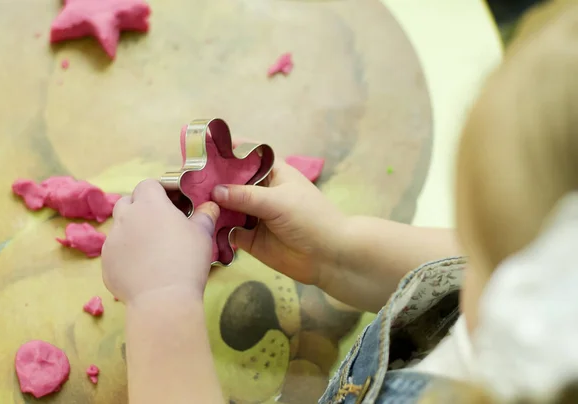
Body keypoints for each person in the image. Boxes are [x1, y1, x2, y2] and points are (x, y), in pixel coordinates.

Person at [101, 1, 578, 402]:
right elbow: (456, 272)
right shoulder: (547, 285)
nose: (472, 262)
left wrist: (160, 306)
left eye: (485, 252)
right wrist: (338, 251)